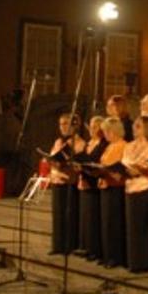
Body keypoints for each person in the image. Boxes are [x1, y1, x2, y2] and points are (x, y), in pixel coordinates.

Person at [122, 116, 148, 271]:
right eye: (134, 125)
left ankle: (146, 261)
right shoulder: (129, 146)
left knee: (144, 227)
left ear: (147, 128)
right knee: (133, 227)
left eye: (138, 126)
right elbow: (124, 163)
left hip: (145, 187)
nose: (134, 129)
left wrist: (141, 169)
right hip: (130, 186)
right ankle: (134, 261)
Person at [47, 114, 86, 256]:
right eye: (60, 124)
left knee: (69, 214)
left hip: (70, 181)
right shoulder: (58, 141)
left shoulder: (79, 142)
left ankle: (69, 245)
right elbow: (52, 156)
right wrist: (51, 161)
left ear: (75, 126)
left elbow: (79, 163)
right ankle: (57, 245)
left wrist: (66, 163)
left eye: (65, 124)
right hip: (57, 180)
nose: (62, 127)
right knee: (57, 214)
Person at [97, 117, 127, 268]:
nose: (104, 134)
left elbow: (117, 167)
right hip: (105, 185)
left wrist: (104, 169)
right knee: (106, 223)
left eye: (106, 131)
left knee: (113, 223)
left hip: (115, 187)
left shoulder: (122, 145)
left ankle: (115, 256)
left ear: (113, 131)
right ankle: (107, 254)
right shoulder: (110, 146)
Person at [78, 116, 107, 261]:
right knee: (86, 218)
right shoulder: (88, 143)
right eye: (91, 126)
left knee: (94, 218)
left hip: (94, 183)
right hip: (84, 181)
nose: (92, 129)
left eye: (96, 126)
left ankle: (95, 249)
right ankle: (87, 247)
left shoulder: (103, 144)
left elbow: (96, 162)